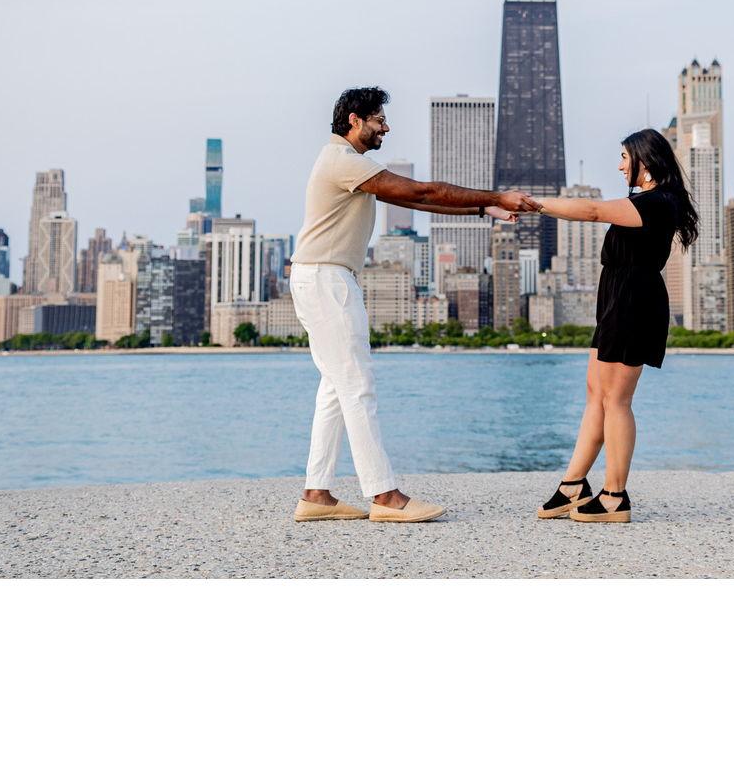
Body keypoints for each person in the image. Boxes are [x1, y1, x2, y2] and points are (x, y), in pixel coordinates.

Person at [289, 86, 538, 524]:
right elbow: (423, 192)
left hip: (322, 277)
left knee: (336, 385)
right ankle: (383, 496)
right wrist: (496, 196)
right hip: (326, 279)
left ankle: (316, 493)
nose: (386, 125)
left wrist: (483, 212)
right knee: (357, 384)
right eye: (379, 118)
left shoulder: (351, 165)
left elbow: (410, 200)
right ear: (354, 120)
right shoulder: (342, 161)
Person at [533, 128, 698, 523]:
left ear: (646, 161)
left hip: (634, 303)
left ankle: (614, 497)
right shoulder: (645, 201)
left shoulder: (658, 203)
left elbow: (591, 212)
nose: (620, 164)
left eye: (625, 157)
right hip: (616, 302)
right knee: (596, 394)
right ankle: (574, 484)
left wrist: (534, 205)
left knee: (616, 400)